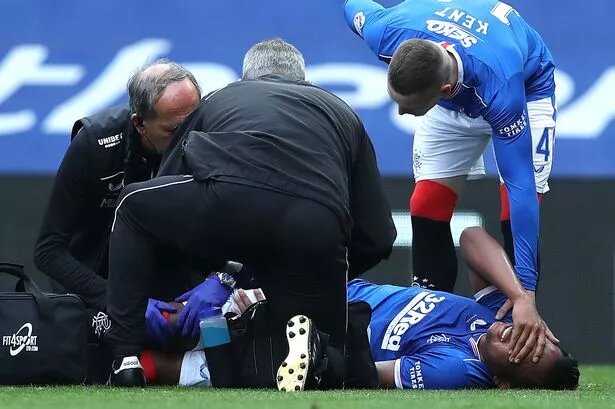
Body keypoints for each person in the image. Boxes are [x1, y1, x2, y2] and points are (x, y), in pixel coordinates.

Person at [104, 38, 397, 389]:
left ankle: (126, 359)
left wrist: (218, 274)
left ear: (246, 79)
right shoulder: (344, 113)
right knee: (325, 347)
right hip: (316, 223)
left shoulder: (221, 97)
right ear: (305, 80)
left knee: (132, 205)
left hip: (232, 203)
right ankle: (324, 359)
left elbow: (169, 191)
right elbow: (379, 236)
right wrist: (322, 273)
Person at [344, 0, 556, 293]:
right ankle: (429, 305)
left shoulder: (503, 94)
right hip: (459, 81)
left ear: (443, 91)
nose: (401, 113)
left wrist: (527, 291)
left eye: (409, 107)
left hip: (525, 87)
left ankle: (516, 306)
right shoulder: (385, 30)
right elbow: (351, 5)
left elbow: (520, 186)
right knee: (426, 203)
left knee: (514, 206)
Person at [33, 59, 203, 352]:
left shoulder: (209, 134)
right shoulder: (94, 145)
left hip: (173, 284)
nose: (189, 138)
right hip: (102, 288)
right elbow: (48, 251)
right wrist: (117, 300)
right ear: (139, 123)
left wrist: (219, 280)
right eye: (174, 130)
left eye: (194, 123)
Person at [348, 227, 578, 390]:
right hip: (345, 285)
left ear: (502, 383)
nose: (518, 337)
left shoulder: (457, 369)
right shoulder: (502, 315)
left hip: (335, 320)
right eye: (533, 338)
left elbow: (362, 373)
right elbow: (472, 237)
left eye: (523, 352)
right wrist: (521, 298)